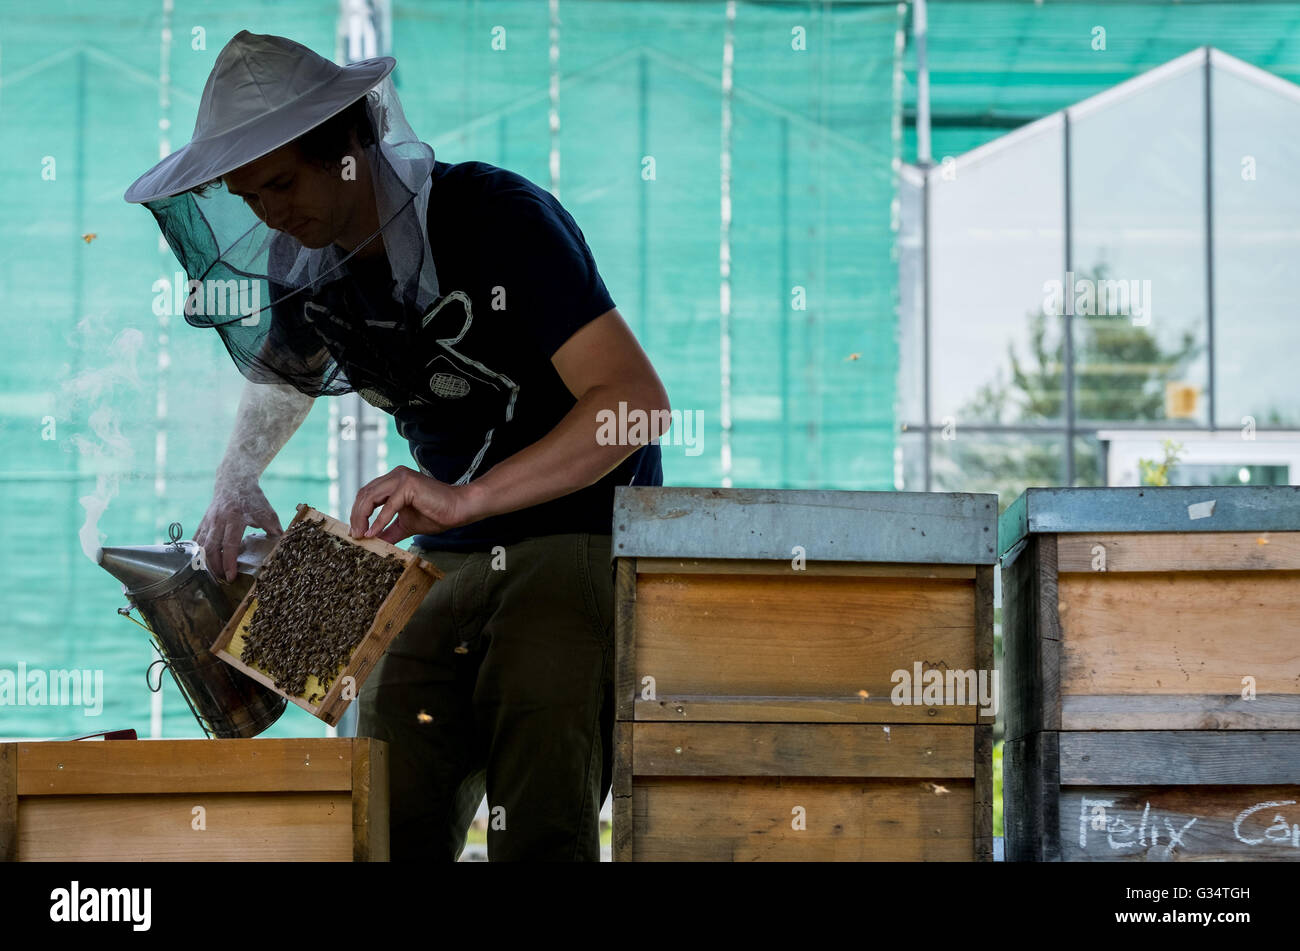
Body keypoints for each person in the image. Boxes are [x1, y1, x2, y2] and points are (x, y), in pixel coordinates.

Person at [124, 31, 668, 861]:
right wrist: (234, 478)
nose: (270, 210)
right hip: (437, 544)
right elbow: (283, 374)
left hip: (583, 528)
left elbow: (635, 401)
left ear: (352, 142)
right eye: (247, 193)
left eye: (281, 182)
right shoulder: (300, 256)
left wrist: (465, 498)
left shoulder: (496, 218)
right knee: (380, 783)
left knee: (541, 780)